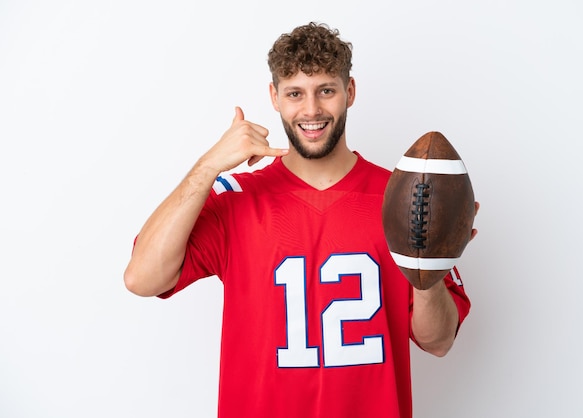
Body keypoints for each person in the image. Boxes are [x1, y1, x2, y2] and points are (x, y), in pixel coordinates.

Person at [124, 22, 476, 418]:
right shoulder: (236, 198)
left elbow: (438, 341)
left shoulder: (403, 200)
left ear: (350, 92)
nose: (311, 110)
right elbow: (142, 278)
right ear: (275, 97)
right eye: (295, 93)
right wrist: (207, 167)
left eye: (326, 90)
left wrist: (428, 267)